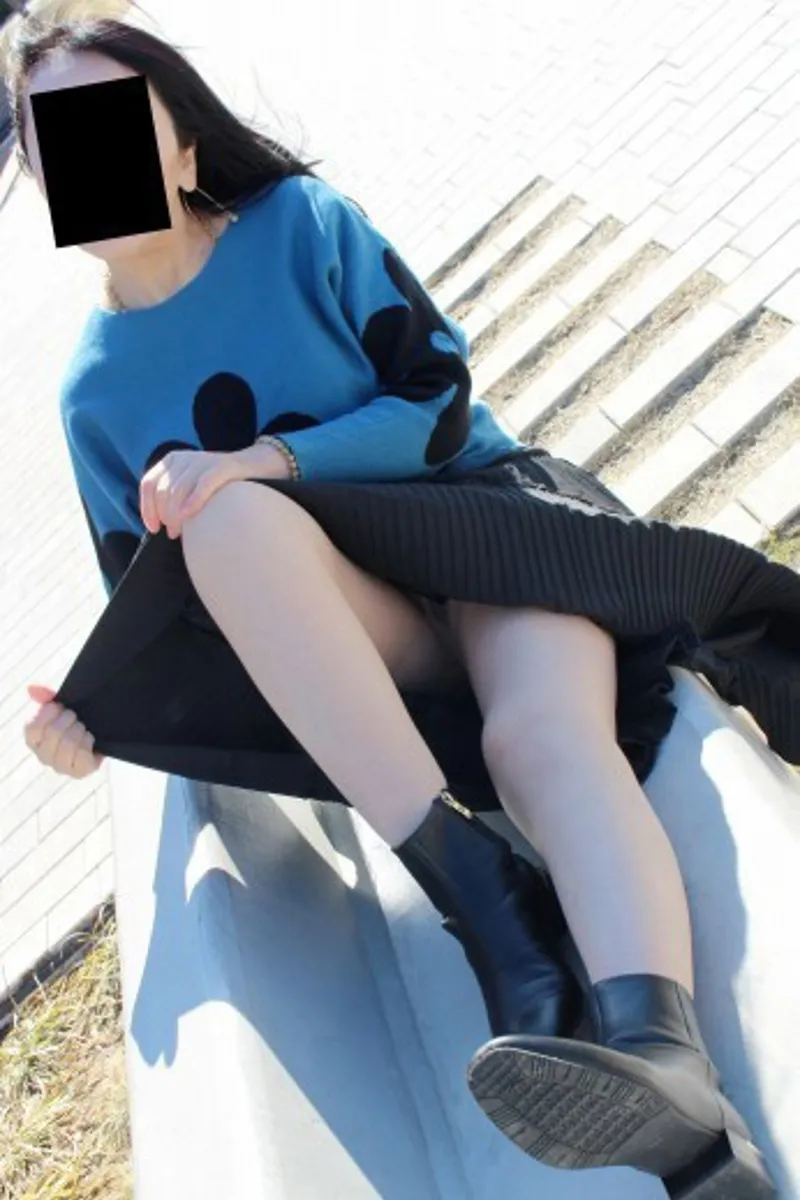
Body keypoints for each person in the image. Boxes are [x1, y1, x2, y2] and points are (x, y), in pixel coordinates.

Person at [9, 8, 796, 1195]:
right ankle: (485, 897)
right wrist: (81, 728)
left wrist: (267, 458)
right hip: (374, 647)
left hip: (486, 537)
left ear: (182, 142)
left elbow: (435, 399)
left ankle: (670, 1079)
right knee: (220, 525)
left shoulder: (297, 227)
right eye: (54, 140)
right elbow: (160, 618)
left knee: (538, 741)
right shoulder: (95, 396)